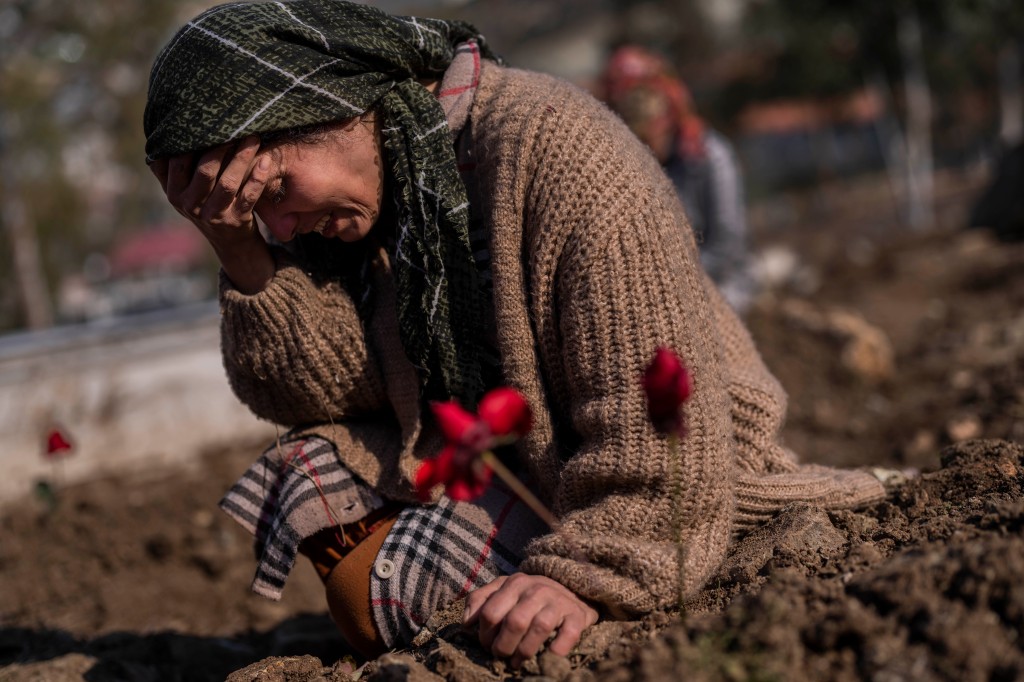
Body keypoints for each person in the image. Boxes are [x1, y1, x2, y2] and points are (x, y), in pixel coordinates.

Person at [144, 0, 884, 667]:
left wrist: (592, 578)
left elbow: (666, 417)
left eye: (275, 192)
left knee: (385, 603)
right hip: (529, 473)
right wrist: (238, 249)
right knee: (310, 468)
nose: (278, 224)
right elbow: (323, 390)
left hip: (679, 494)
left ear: (333, 106)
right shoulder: (377, 195)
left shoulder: (556, 149)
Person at [600, 45, 756, 314]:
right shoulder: (630, 169)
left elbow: (726, 245)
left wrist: (667, 283)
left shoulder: (710, 157)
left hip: (720, 292)